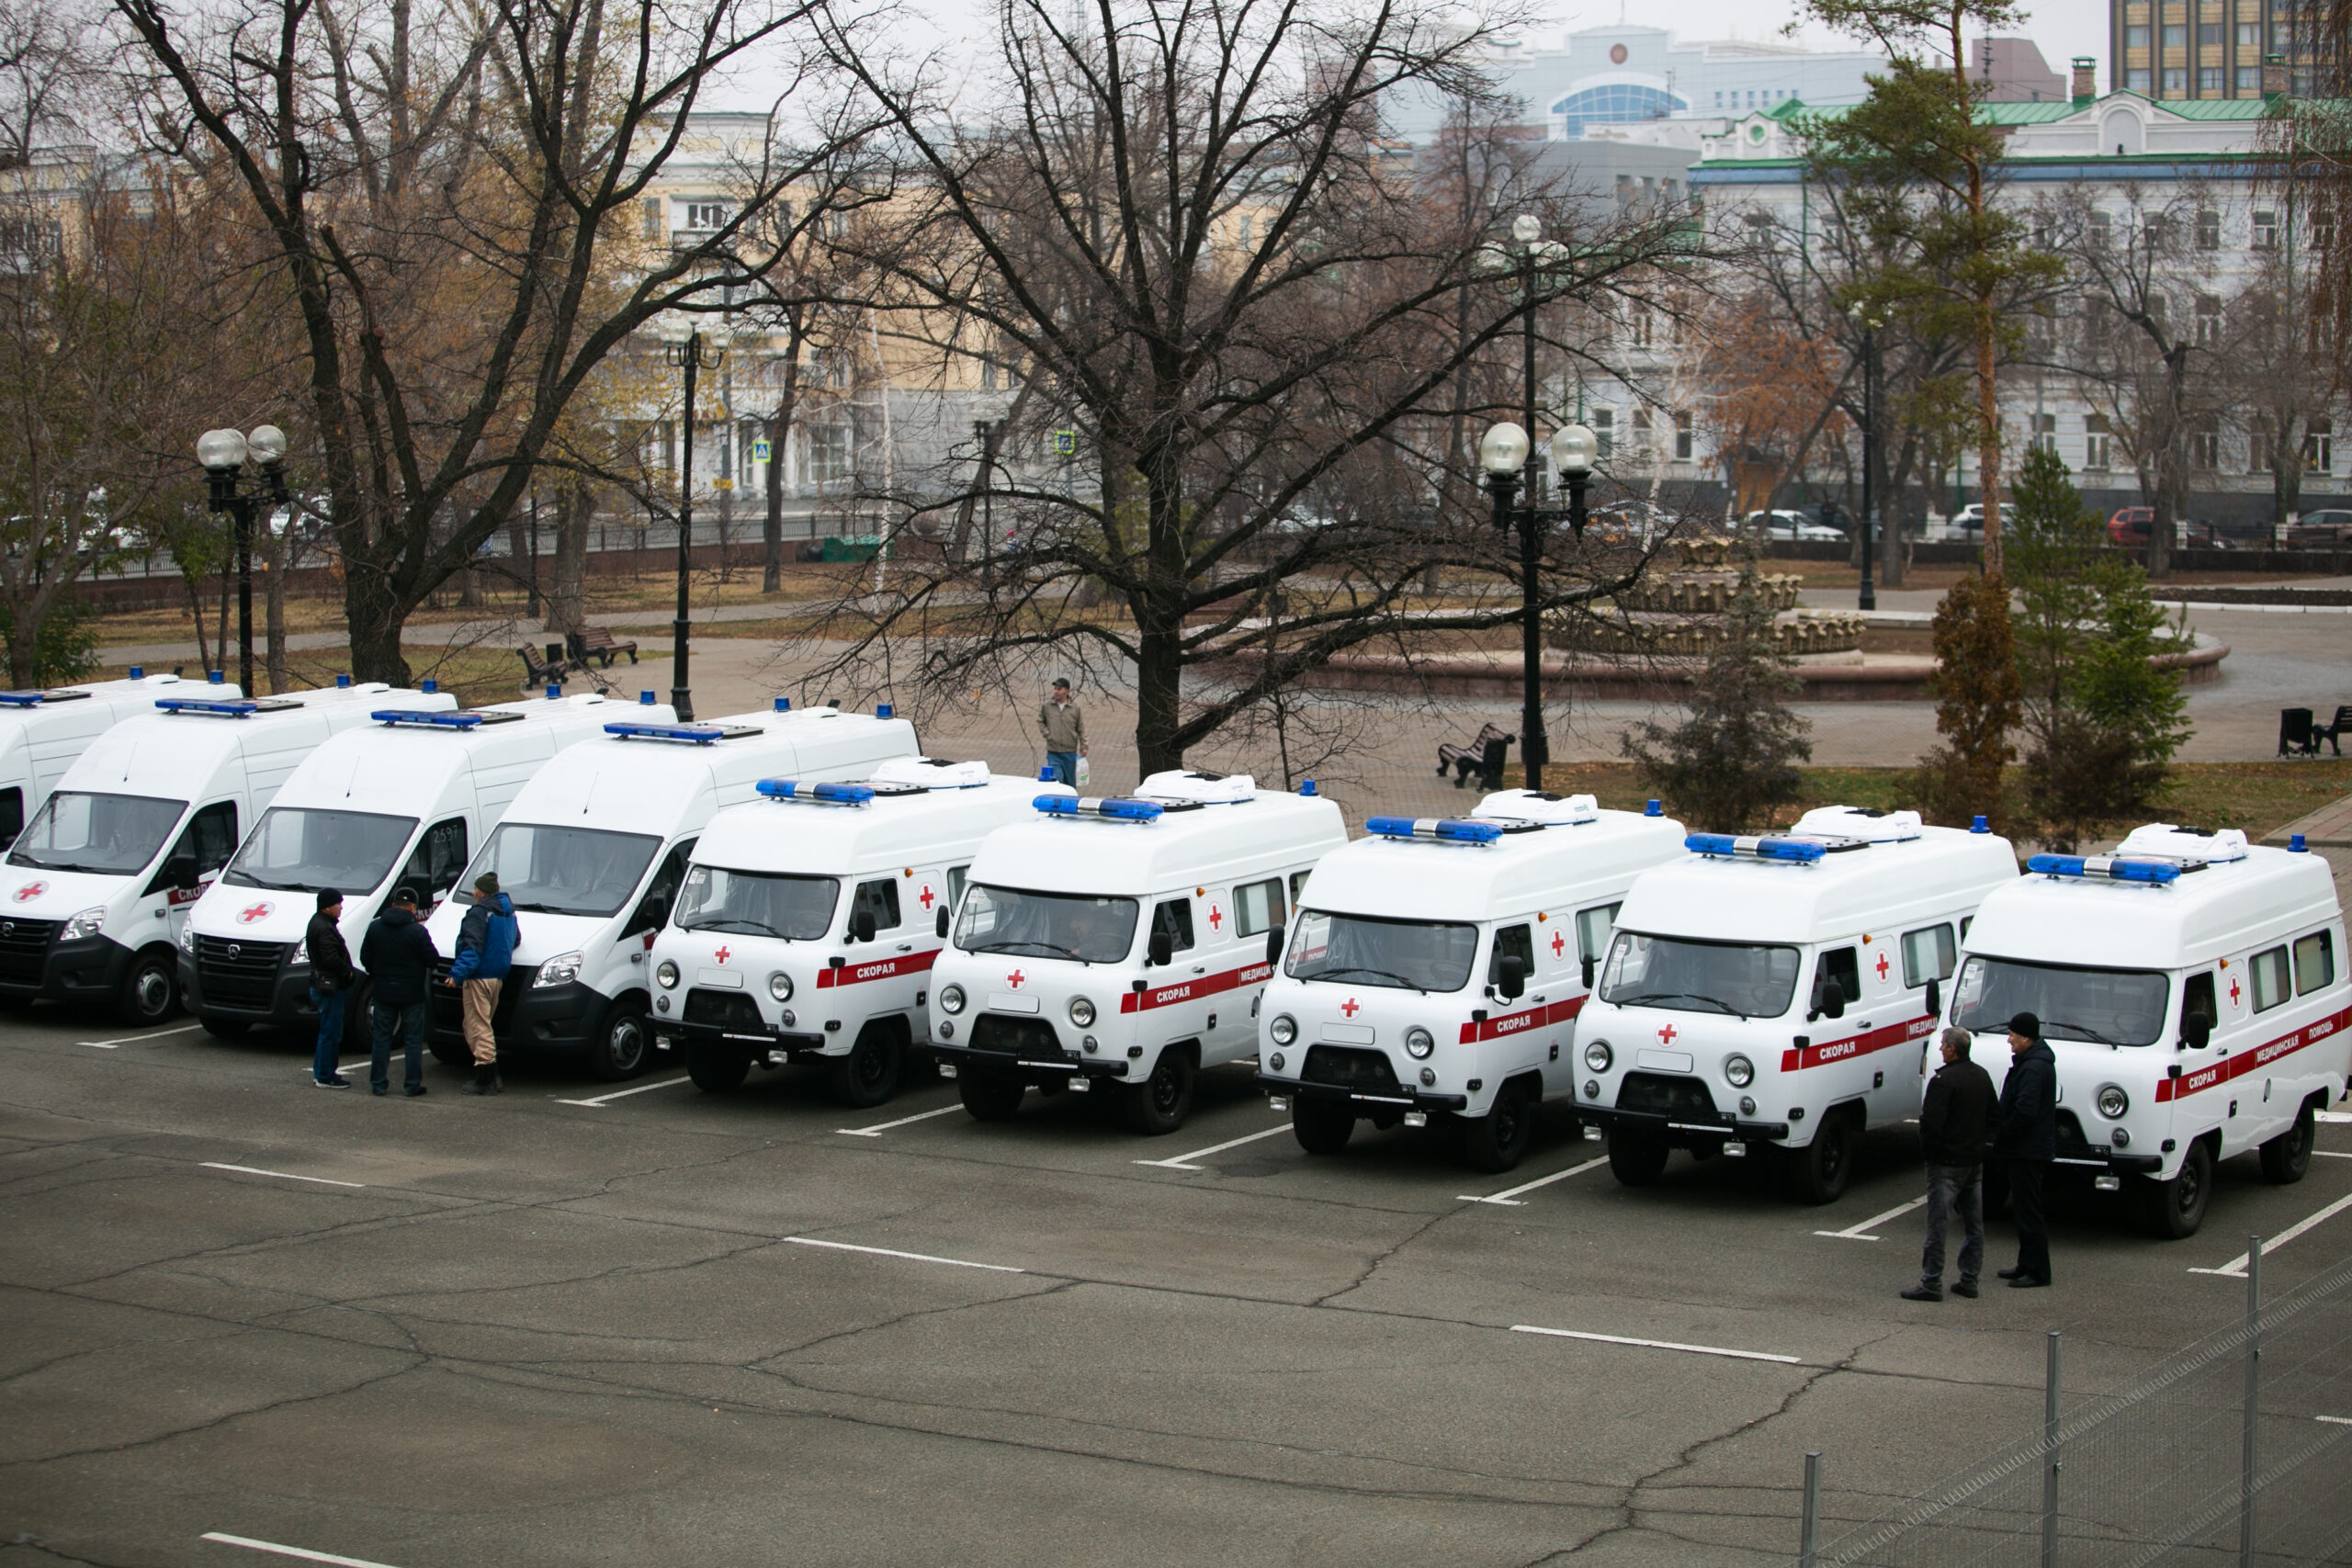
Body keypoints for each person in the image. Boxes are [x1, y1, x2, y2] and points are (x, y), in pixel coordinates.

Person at [1903, 1026, 1996, 1302]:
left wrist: (1930, 1153)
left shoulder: (1943, 1081)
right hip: (1973, 1161)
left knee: (1938, 1223)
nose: (1941, 1048)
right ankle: (1970, 1278)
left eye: (1943, 1044)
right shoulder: (1981, 1076)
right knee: (1974, 1223)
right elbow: (1994, 1116)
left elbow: (1931, 1123)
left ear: (1953, 1049)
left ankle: (1931, 1282)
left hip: (1945, 1163)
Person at [1989, 1010, 2059, 1289]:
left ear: (2027, 1037)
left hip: (2028, 1151)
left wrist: (2002, 1135)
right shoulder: (2032, 1062)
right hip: (2028, 1148)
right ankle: (2025, 1264)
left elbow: (2025, 1112)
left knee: (2029, 1212)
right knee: (2023, 1210)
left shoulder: (2032, 1067)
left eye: (2012, 1034)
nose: (2009, 1040)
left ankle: (2038, 1272)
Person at [446, 872, 519, 1095]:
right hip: (497, 976)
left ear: (480, 891)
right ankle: (492, 1076)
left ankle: (485, 1078)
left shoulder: (480, 913)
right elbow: (515, 940)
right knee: (483, 1024)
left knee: (477, 1026)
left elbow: (472, 946)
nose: (473, 893)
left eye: (475, 889)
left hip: (478, 976)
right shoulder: (508, 913)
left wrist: (457, 974)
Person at [360, 886, 437, 1097]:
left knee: (381, 1038)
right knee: (412, 1040)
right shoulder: (417, 932)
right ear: (412, 907)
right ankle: (412, 1085)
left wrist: (377, 973)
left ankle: (378, 1084)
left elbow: (365, 957)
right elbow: (432, 959)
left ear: (393, 904)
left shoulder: (375, 928)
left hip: (383, 990)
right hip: (411, 993)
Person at [306, 888, 356, 1089]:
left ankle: (321, 1072)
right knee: (331, 1032)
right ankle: (326, 1075)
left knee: (327, 1031)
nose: (341, 907)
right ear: (327, 905)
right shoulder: (324, 928)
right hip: (329, 987)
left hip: (321, 985)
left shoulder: (318, 923)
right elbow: (330, 958)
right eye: (338, 903)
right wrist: (348, 971)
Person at [1037, 678, 1086, 787]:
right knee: (1057, 782)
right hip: (1053, 752)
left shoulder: (1075, 707)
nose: (1056, 691)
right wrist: (1048, 735)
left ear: (1067, 691)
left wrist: (1084, 746)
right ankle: (1057, 803)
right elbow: (1040, 721)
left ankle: (1071, 803)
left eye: (1059, 689)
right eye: (1055, 689)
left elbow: (1081, 728)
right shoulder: (1047, 706)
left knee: (1070, 783)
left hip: (1069, 752)